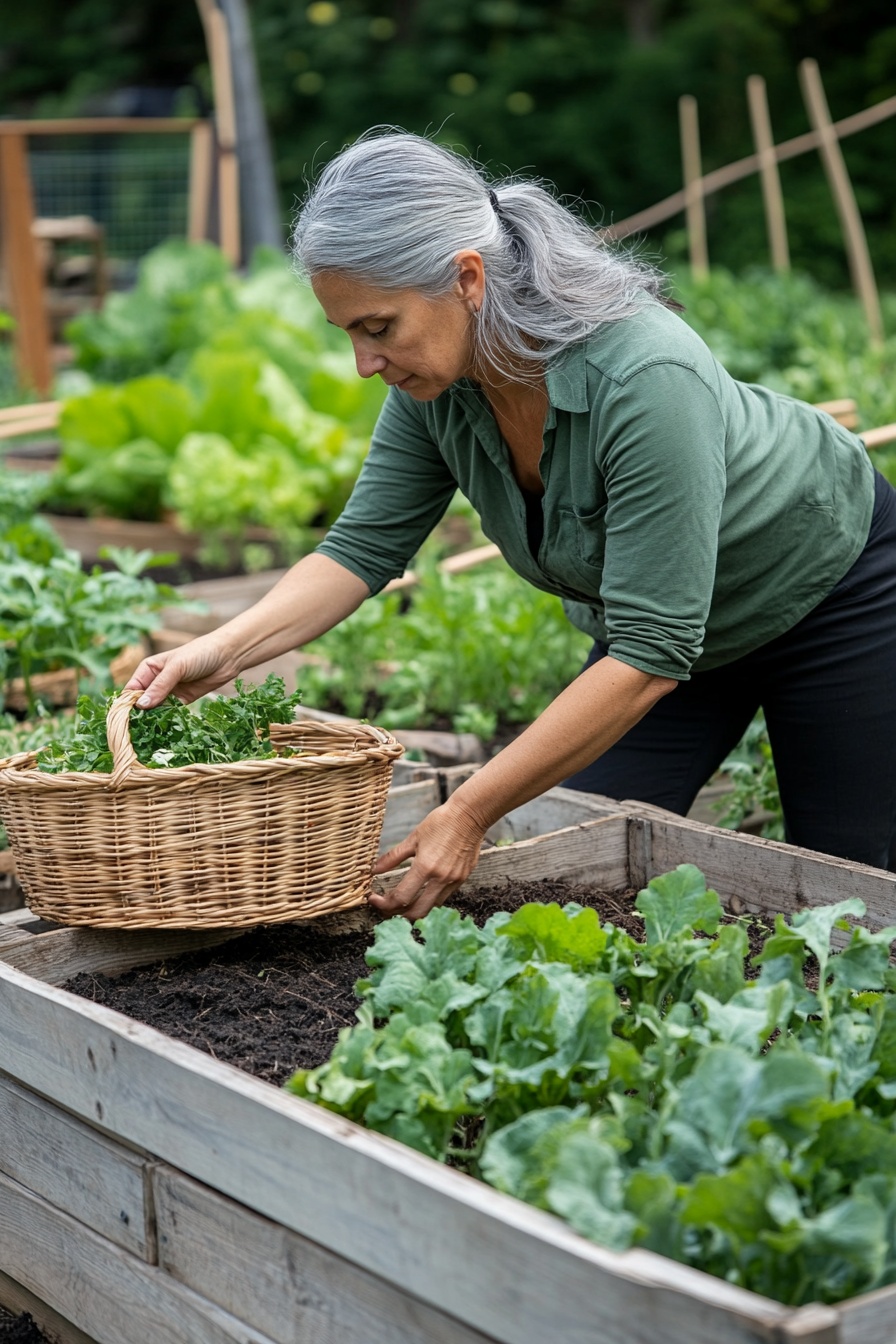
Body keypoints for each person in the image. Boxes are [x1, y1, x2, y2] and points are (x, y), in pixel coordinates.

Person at [127, 128, 896, 919]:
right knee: (567, 876)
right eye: (349, 331)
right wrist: (223, 650)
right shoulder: (441, 390)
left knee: (844, 900)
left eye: (378, 326)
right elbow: (360, 549)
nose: (364, 361)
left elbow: (649, 655)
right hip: (667, 635)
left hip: (830, 595)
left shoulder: (643, 374)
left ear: (467, 278)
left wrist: (466, 808)